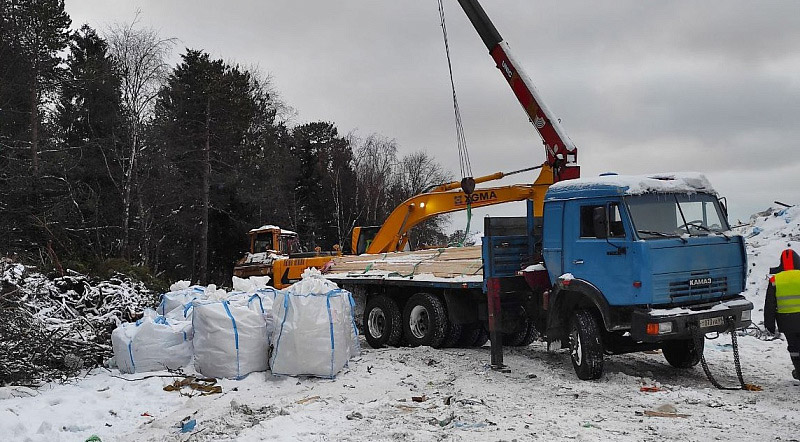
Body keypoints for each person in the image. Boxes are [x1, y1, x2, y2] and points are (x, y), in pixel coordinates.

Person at [764, 248, 800, 381]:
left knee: (794, 348)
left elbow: (770, 305)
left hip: (787, 322)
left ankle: (799, 371)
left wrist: (769, 324)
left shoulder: (775, 280)